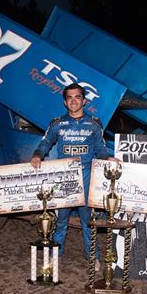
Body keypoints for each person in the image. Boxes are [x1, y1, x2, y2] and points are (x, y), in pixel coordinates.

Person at [30, 83, 119, 268]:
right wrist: (38, 155)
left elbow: (100, 148)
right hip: (64, 175)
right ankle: (56, 254)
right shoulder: (57, 123)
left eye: (77, 97)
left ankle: (93, 256)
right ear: (64, 102)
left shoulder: (94, 123)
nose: (73, 101)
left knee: (88, 220)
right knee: (61, 219)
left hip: (86, 174)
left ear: (84, 100)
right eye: (69, 97)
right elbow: (46, 142)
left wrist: (108, 157)